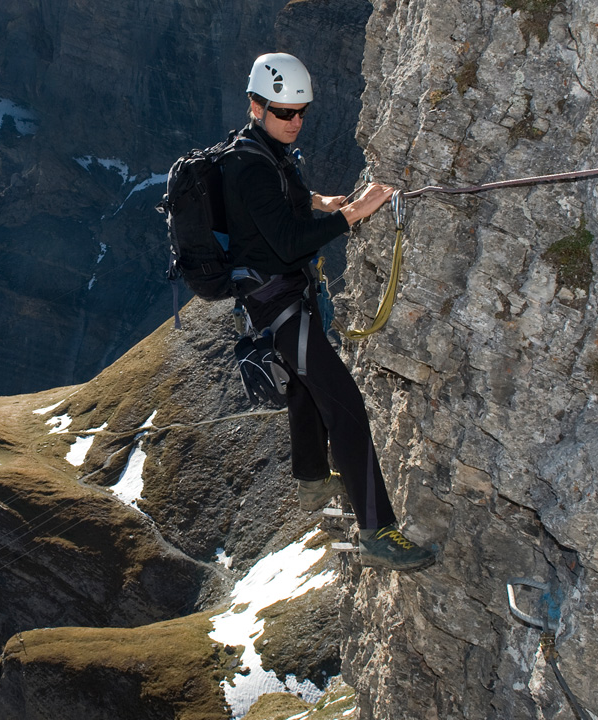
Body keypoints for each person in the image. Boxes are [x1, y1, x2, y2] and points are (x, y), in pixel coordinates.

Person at [224, 52, 435, 571]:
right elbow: (288, 239)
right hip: (276, 303)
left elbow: (285, 204)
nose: (295, 122)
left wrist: (318, 201)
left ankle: (312, 479)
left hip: (280, 295)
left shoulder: (263, 151)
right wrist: (351, 214)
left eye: (302, 112)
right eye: (284, 112)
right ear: (256, 105)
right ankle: (378, 530)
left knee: (304, 385)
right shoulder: (250, 165)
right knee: (344, 404)